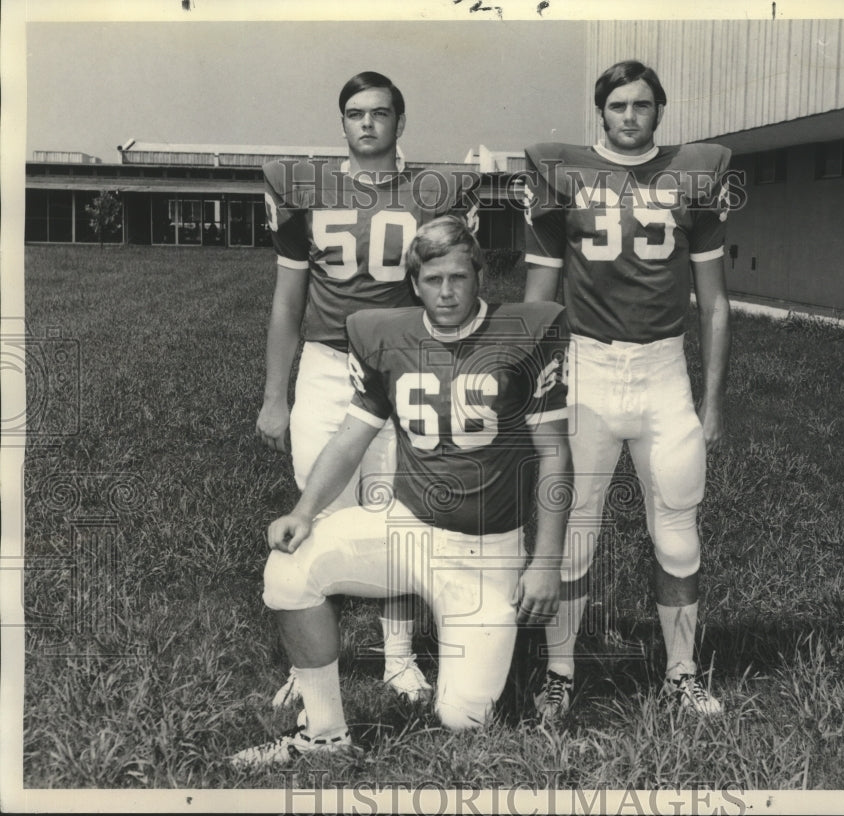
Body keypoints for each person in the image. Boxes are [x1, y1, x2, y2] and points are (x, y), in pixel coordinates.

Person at [230, 215, 572, 768]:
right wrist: (305, 510)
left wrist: (547, 559)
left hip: (486, 550)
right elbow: (349, 439)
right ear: (415, 283)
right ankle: (324, 734)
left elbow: (555, 451)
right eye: (433, 279)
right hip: (408, 528)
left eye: (458, 277)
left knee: (464, 719)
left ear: (479, 275)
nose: (446, 291)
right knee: (288, 567)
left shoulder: (528, 331)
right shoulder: (383, 333)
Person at [256, 71, 477, 705]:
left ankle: (399, 658)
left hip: (400, 365)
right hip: (327, 365)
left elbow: (451, 293)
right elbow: (287, 300)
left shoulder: (432, 194)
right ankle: (308, 663)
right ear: (343, 123)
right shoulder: (310, 193)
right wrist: (277, 395)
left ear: (399, 124)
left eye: (381, 113)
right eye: (356, 113)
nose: (368, 124)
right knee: (315, 507)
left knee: (398, 510)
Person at [522, 60, 733, 718]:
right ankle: (559, 673)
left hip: (665, 371)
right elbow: (536, 302)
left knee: (677, 532)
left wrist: (712, 399)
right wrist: (536, 393)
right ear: (601, 111)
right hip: (588, 369)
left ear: (659, 111)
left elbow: (716, 306)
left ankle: (681, 673)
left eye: (643, 104)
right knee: (574, 532)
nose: (631, 116)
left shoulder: (693, 176)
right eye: (618, 105)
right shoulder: (564, 175)